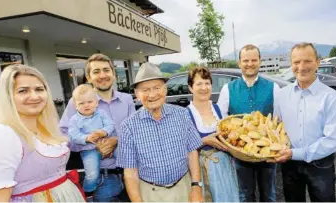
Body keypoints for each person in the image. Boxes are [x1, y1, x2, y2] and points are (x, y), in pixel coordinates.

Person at [0, 64, 85, 202]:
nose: (34, 96)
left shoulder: (48, 129)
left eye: (39, 89)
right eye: (23, 91)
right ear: (8, 97)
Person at [117, 62, 204, 202]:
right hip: (150, 193)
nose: (152, 94)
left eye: (157, 88)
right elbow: (130, 172)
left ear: (165, 89)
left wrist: (196, 186)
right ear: (136, 94)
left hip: (184, 187)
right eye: (145, 90)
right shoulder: (128, 126)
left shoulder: (182, 114)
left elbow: (192, 152)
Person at [271, 42, 336, 202]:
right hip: (289, 164)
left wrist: (294, 153)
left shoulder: (331, 97)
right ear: (291, 64)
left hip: (320, 164)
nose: (301, 67)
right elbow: (276, 129)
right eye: (296, 62)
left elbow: (332, 141)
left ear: (317, 62)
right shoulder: (282, 96)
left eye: (307, 61)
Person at [59, 53, 136, 202]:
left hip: (132, 172)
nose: (102, 75)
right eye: (96, 71)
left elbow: (137, 131)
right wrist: (89, 142)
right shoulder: (79, 103)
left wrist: (116, 140)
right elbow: (63, 137)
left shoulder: (126, 100)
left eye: (106, 70)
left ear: (113, 73)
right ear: (88, 77)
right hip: (102, 179)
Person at [217, 44, 280, 202]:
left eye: (253, 60)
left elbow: (278, 119)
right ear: (239, 63)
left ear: (260, 61)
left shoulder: (273, 88)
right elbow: (221, 121)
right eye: (246, 60)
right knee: (245, 195)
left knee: (269, 195)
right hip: (240, 154)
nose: (250, 64)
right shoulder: (228, 88)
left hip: (267, 153)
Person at [186, 66, 239, 202]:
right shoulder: (185, 114)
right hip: (200, 170)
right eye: (199, 84)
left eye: (207, 83)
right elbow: (181, 147)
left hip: (224, 167)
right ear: (191, 88)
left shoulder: (218, 109)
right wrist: (204, 141)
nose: (204, 87)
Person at [67, 84, 116, 200]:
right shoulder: (74, 119)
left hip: (108, 144)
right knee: (92, 174)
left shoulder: (101, 113)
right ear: (75, 106)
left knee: (126, 156)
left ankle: (127, 177)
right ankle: (88, 191)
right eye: (81, 103)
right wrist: (86, 138)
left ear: (96, 102)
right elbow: (73, 135)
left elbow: (111, 125)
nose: (86, 105)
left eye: (90, 102)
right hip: (89, 150)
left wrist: (103, 132)